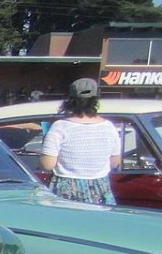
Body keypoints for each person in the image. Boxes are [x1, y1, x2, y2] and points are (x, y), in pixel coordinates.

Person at [39, 78, 121, 206]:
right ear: (96, 100)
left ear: (70, 100)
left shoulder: (60, 127)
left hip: (66, 190)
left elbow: (47, 164)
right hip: (100, 189)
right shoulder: (109, 127)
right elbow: (115, 162)